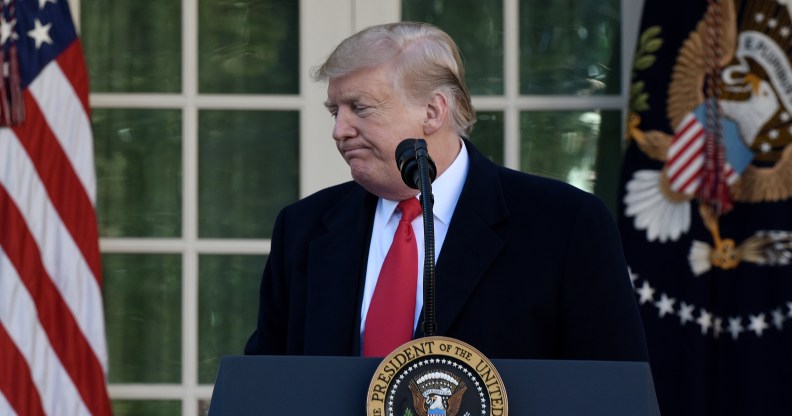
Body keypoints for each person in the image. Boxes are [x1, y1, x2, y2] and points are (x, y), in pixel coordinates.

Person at [244, 22, 648, 361]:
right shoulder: (303, 228)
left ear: (433, 111)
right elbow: (266, 385)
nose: (339, 130)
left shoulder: (564, 224)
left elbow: (610, 387)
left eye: (360, 108)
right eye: (336, 112)